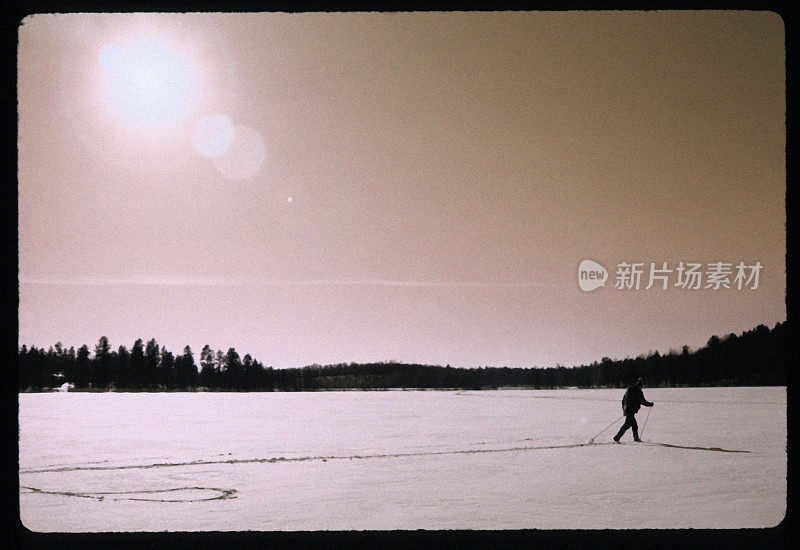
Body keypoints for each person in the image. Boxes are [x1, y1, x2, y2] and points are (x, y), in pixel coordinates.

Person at [613, 377, 653, 442]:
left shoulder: (629, 389)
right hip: (631, 410)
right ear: (640, 386)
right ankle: (617, 437)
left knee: (632, 425)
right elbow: (642, 401)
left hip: (627, 409)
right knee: (628, 425)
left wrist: (624, 409)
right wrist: (650, 404)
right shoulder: (638, 391)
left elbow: (623, 400)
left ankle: (635, 438)